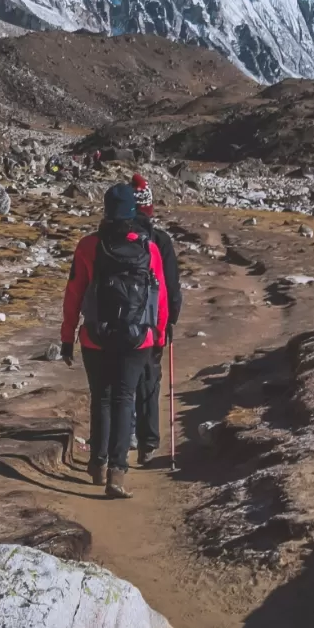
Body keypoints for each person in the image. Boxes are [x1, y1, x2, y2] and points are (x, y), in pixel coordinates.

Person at [61, 181, 169, 499]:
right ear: (134, 211)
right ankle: (117, 473)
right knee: (125, 400)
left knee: (102, 399)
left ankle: (97, 463)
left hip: (96, 337)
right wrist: (159, 337)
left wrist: (67, 337)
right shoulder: (149, 248)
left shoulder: (88, 246)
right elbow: (158, 297)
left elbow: (74, 295)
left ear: (106, 210)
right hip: (138, 339)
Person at [131, 172, 182, 464]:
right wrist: (170, 320)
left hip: (116, 321)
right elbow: (171, 288)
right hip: (151, 322)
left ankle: (123, 437)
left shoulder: (107, 239)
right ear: (149, 208)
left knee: (120, 382)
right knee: (149, 378)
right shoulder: (160, 241)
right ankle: (148, 443)